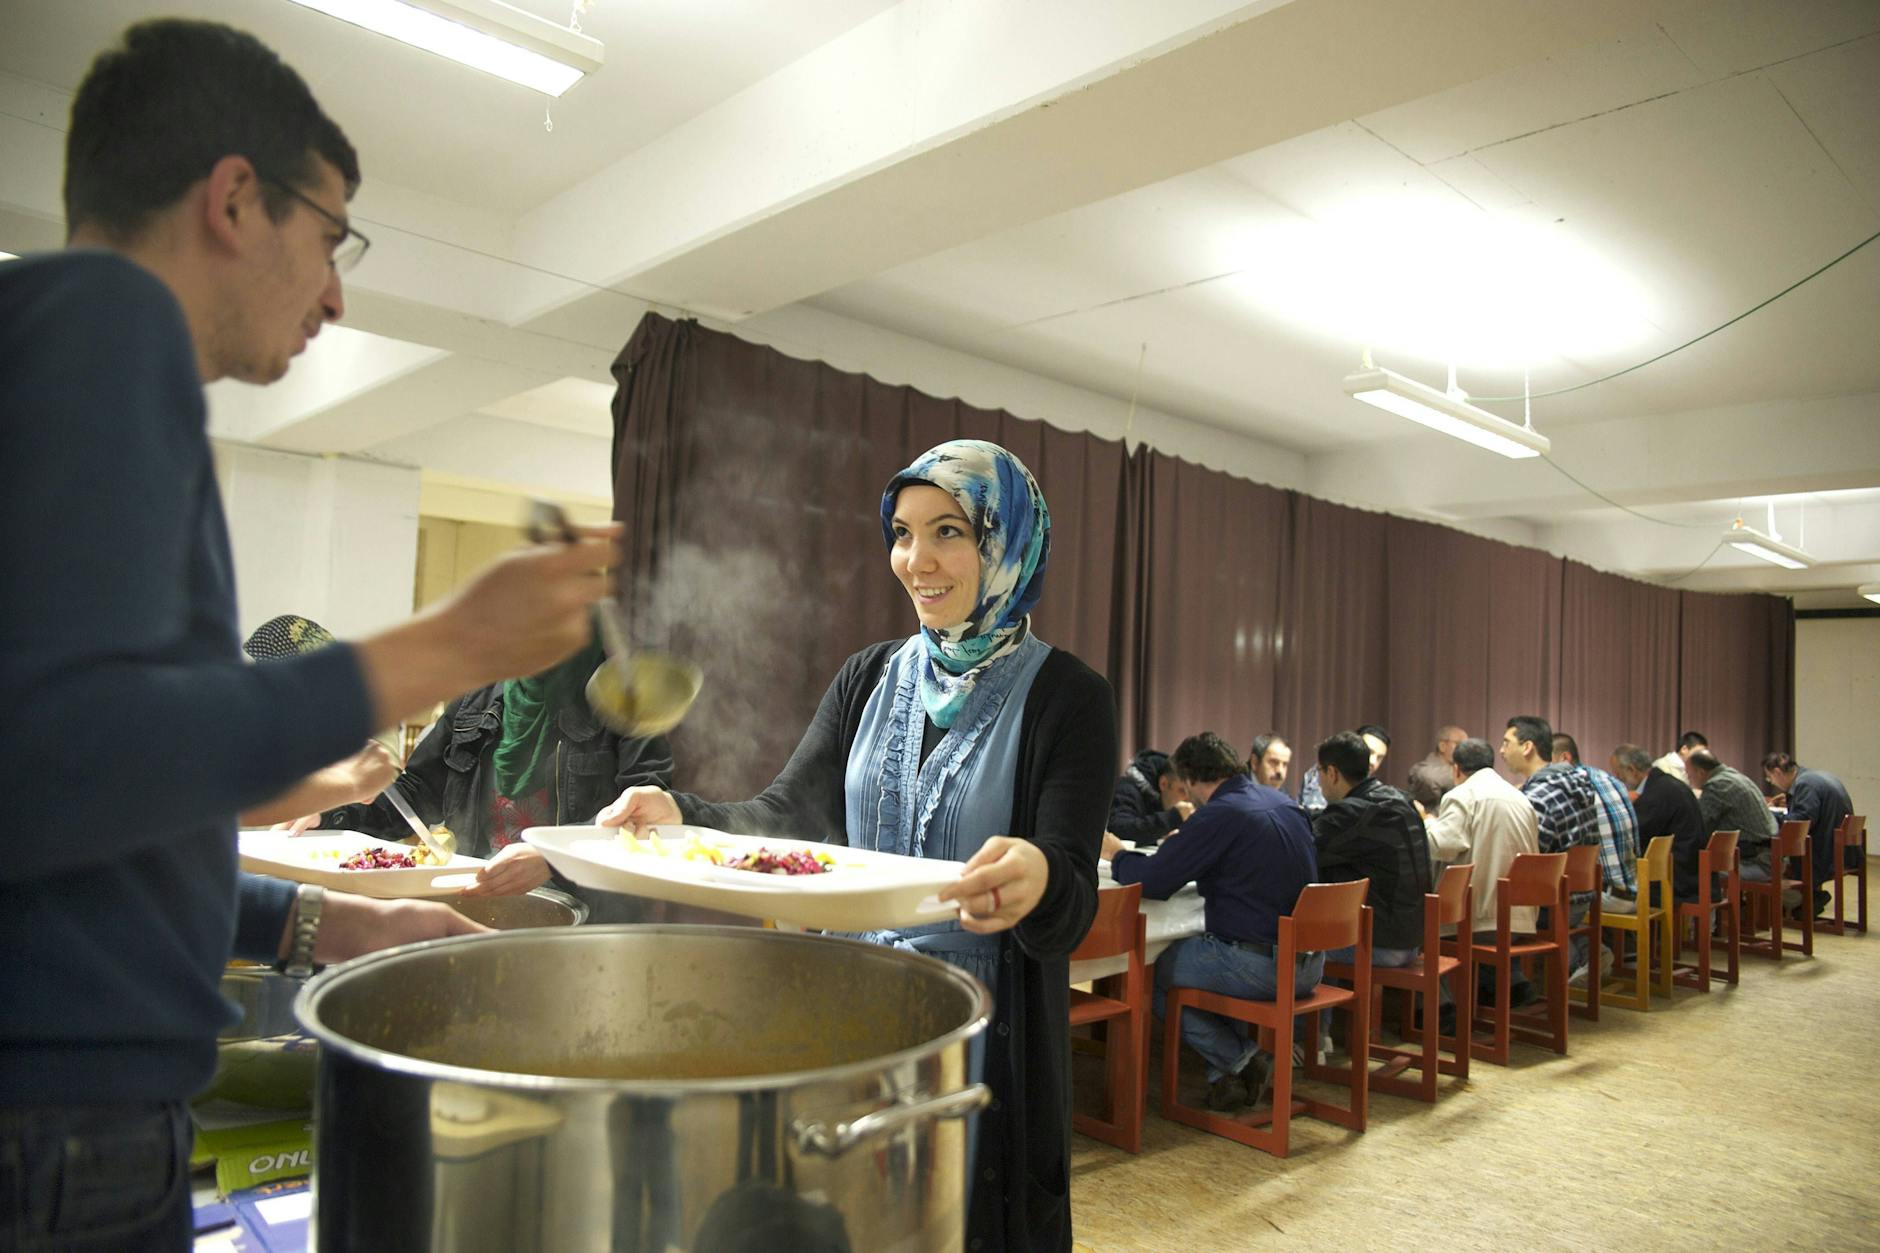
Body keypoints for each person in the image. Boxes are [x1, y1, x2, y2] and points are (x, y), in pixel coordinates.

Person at [0, 21, 618, 1250]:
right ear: (235, 198)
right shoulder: (110, 321)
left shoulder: (51, 341)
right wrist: (446, 644)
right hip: (58, 1131)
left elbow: (88, 812)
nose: (336, 291)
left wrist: (322, 921)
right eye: (332, 237)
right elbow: (66, 755)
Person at [600, 439, 1116, 1252]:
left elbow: (1070, 901)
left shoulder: (1070, 698)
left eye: (949, 531)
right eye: (902, 532)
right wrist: (679, 812)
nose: (917, 559)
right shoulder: (867, 677)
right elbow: (784, 816)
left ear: (1004, 541)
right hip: (849, 1012)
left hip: (982, 1041)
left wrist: (1042, 875)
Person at [319, 633, 676, 919]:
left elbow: (643, 816)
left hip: (588, 916)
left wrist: (554, 858)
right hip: (480, 903)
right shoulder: (477, 697)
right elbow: (415, 793)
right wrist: (327, 810)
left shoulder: (622, 698)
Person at [1103, 733, 1317, 1113]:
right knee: (1206, 956)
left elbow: (1153, 883)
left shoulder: (1218, 815)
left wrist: (1119, 854)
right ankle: (1226, 1083)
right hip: (1310, 963)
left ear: (1187, 780)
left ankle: (1243, 1061)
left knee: (1159, 972)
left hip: (1263, 966)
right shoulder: (1283, 802)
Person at [1311, 731, 1432, 970]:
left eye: (1319, 772)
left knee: (1294, 947)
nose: (1319, 780)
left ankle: (1328, 1007)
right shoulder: (1402, 801)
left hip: (1382, 946)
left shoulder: (1351, 813)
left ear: (1332, 773)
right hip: (1414, 938)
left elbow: (1302, 851)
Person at [1502, 715, 1599, 975]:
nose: (1501, 751)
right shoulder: (1575, 783)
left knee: (1480, 909)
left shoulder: (1538, 798)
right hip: (1579, 897)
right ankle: (1582, 949)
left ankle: (1507, 987)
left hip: (1553, 905)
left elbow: (1525, 862)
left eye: (1506, 742)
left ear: (1527, 747)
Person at [1552, 732, 1640, 917]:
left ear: (1564, 758)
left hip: (1609, 896)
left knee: (1540, 900)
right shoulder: (1607, 778)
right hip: (1636, 890)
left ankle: (1583, 946)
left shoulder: (1573, 786)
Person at [1762, 752, 1855, 916]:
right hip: (1843, 849)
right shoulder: (1815, 777)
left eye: (1769, 778)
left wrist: (1767, 814)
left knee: (1767, 856)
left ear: (1777, 772)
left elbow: (1800, 823)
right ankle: (1806, 900)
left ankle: (1804, 900)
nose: (1772, 783)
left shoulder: (1805, 784)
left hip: (1823, 853)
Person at [1611, 744, 1706, 904]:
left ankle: (1630, 927)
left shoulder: (1657, 793)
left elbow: (1634, 838)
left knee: (1607, 884)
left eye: (1618, 774)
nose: (1617, 779)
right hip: (1691, 870)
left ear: (1632, 770)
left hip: (1677, 879)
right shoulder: (1666, 784)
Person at [1685, 748, 1778, 884]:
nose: (1688, 778)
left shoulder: (1718, 785)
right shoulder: (1733, 776)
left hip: (1755, 862)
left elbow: (1699, 826)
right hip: (1770, 857)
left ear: (1700, 772)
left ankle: (1704, 905)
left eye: (1688, 774)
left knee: (1686, 871)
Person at [1108, 748, 1193, 845]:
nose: (1188, 799)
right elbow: (1118, 832)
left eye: (1192, 793)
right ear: (1163, 784)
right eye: (1182, 791)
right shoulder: (1127, 790)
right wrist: (1172, 817)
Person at [1298, 723, 1389, 813]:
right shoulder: (1324, 771)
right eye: (1369, 752)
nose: (1373, 761)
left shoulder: (1378, 790)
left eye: (1380, 757)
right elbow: (1315, 817)